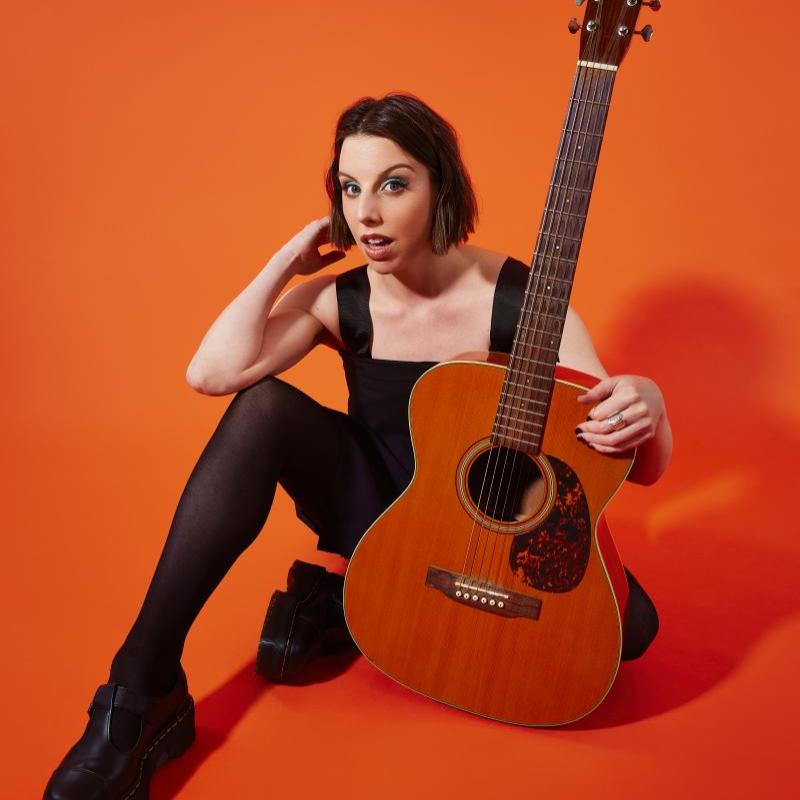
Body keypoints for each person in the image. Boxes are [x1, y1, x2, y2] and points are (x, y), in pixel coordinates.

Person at [44, 92, 672, 799]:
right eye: (350, 188)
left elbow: (628, 462)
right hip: (380, 513)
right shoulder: (342, 300)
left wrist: (646, 402)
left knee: (631, 629)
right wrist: (289, 259)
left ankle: (339, 605)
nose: (366, 212)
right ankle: (140, 691)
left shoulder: (517, 296)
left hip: (485, 528)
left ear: (440, 186)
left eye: (393, 184)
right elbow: (210, 374)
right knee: (264, 407)